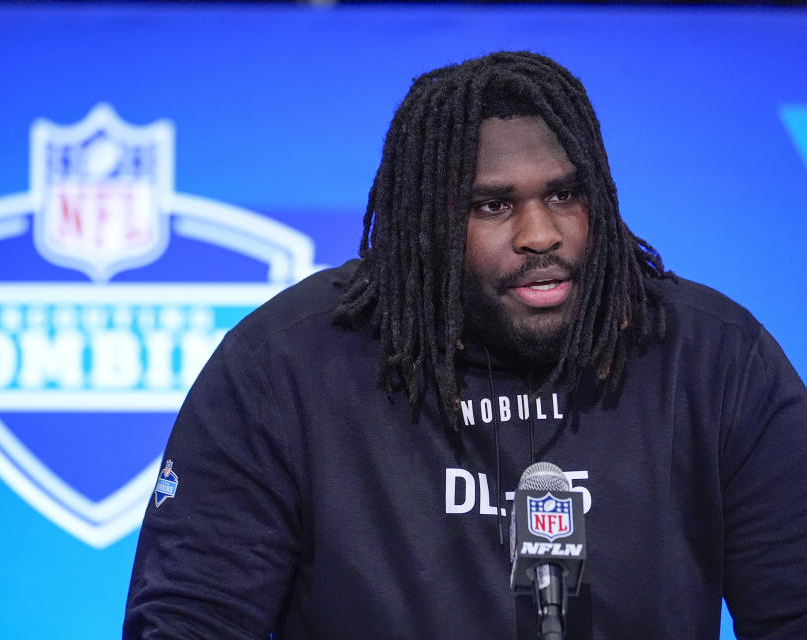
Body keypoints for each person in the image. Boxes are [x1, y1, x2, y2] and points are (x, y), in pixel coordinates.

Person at [124, 51, 807, 639]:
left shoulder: (712, 359)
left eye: (566, 195)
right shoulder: (287, 368)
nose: (541, 234)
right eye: (493, 206)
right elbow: (191, 617)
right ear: (424, 223)